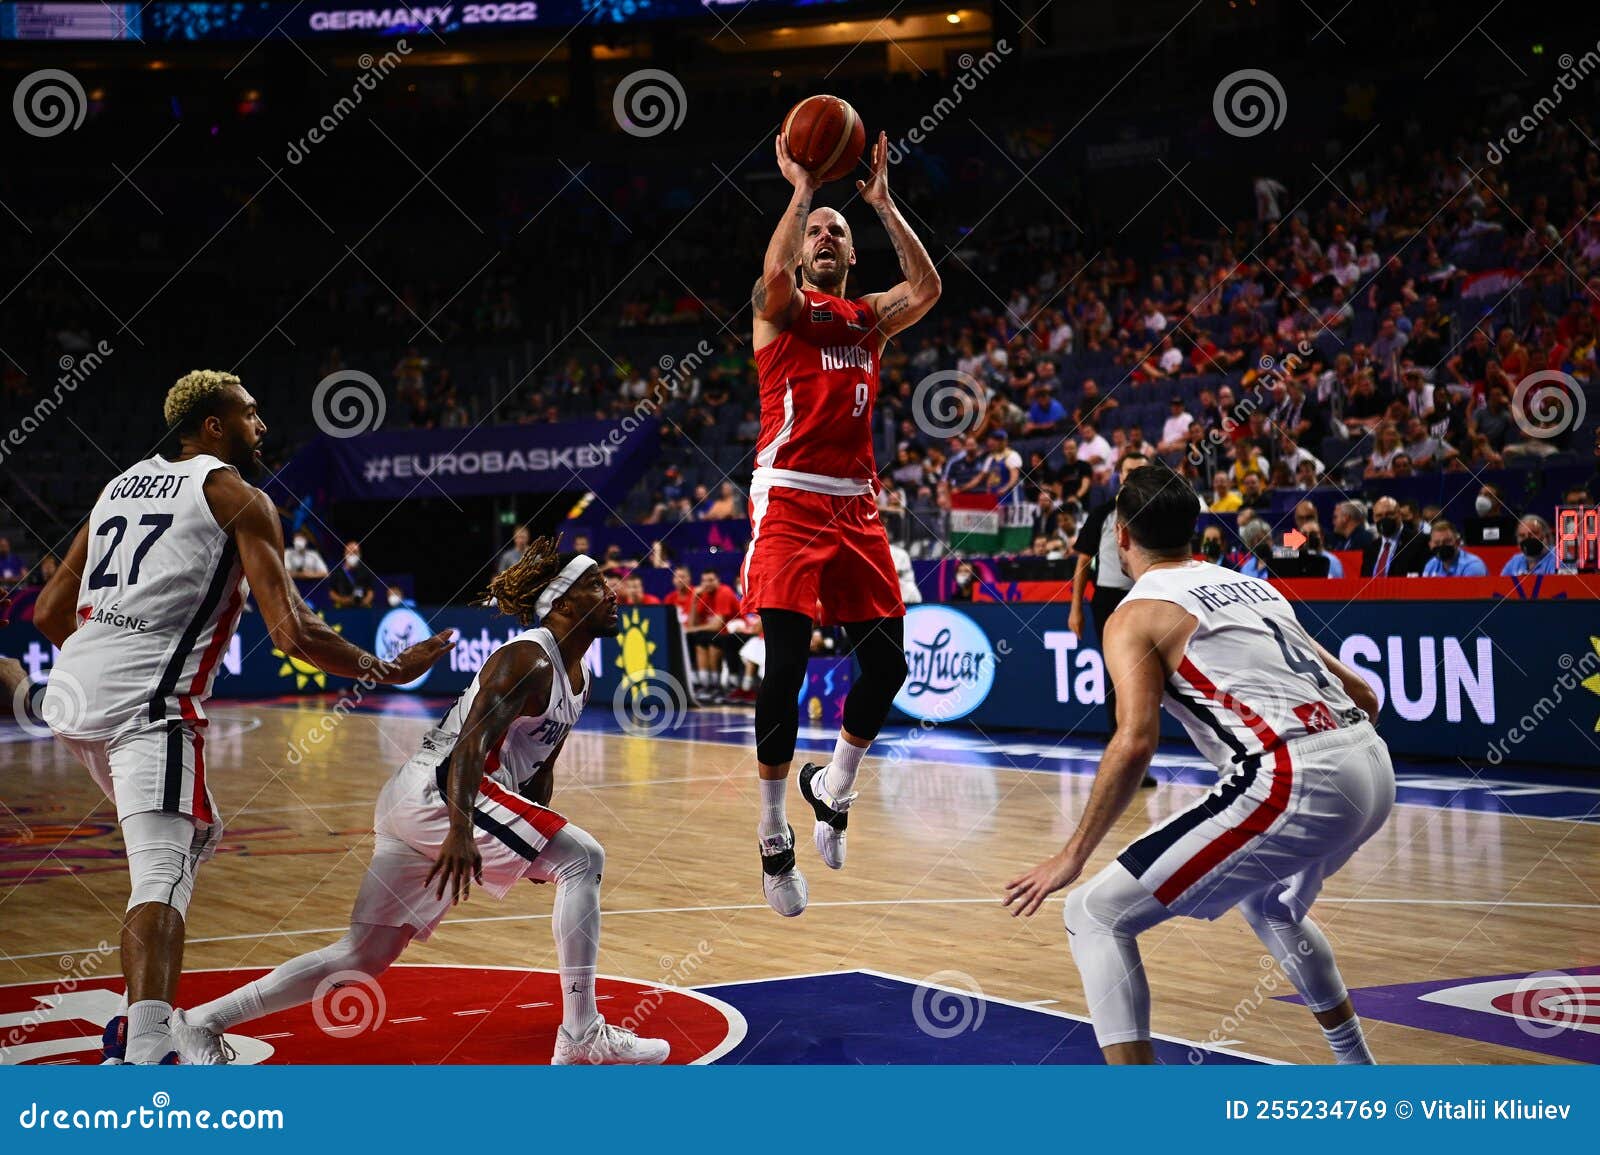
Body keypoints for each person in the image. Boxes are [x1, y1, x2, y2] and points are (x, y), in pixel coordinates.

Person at [32, 370, 452, 1065]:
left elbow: (49, 612)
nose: (262, 427)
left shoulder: (116, 487)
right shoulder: (234, 495)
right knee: (161, 872)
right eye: (250, 414)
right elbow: (292, 633)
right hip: (148, 706)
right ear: (213, 426)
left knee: (196, 831)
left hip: (74, 698)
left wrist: (104, 657)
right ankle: (145, 1053)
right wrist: (384, 669)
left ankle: (150, 1024)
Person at [177, 541, 668, 1065]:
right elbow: (467, 751)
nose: (612, 592)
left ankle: (200, 1022)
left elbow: (538, 768)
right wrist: (460, 833)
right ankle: (581, 1035)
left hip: (423, 799)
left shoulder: (579, 675)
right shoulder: (527, 659)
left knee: (361, 956)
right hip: (445, 791)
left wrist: (530, 846)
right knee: (583, 858)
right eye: (595, 584)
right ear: (563, 604)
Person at [1004, 465, 1393, 1066]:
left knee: (1093, 912)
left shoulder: (1133, 615)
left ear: (1121, 536)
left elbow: (1134, 742)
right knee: (1268, 903)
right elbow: (1364, 696)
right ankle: (1358, 1068)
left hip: (1294, 775)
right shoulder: (1253, 586)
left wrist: (1072, 855)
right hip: (1371, 759)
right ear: (1193, 529)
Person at [745, 127, 937, 915]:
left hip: (855, 503)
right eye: (816, 230)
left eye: (837, 231)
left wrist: (885, 208)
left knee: (888, 667)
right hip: (789, 494)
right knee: (786, 664)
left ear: (852, 256)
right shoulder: (779, 311)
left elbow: (926, 289)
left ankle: (835, 783)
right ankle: (769, 832)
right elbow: (770, 270)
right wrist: (800, 190)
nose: (826, 236)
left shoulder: (867, 319)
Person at [1070, 453, 1156, 788]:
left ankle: (1141, 757)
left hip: (1147, 597)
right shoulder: (1103, 514)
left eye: (1141, 472)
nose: (1134, 477)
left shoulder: (1154, 513)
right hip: (1108, 600)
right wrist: (1075, 607)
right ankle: (1125, 763)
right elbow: (1082, 561)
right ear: (1118, 476)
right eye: (1129, 471)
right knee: (1118, 681)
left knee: (1149, 681)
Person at [685, 569, 743, 701]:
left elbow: (717, 626)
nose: (707, 584)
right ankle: (707, 685)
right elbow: (691, 624)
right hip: (715, 634)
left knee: (712, 640)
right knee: (699, 639)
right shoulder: (703, 595)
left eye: (711, 580)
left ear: (718, 581)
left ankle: (717, 686)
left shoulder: (724, 592)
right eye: (704, 581)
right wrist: (694, 600)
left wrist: (694, 629)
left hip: (734, 634)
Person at [1361, 496, 1429, 577]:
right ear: (1374, 518)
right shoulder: (1370, 548)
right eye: (1379, 516)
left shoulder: (1419, 541)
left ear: (1400, 515)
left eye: (1389, 514)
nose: (1384, 519)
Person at [1421, 519, 1488, 576]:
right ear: (1430, 545)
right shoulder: (1431, 565)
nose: (1441, 545)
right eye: (1437, 542)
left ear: (1457, 542)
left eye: (1446, 541)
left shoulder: (1473, 566)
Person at [328, 540, 381, 608]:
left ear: (360, 554)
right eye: (349, 552)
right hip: (342, 608)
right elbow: (331, 593)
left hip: (362, 607)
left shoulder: (366, 571)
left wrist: (363, 603)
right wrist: (344, 600)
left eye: (355, 552)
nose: (352, 554)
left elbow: (371, 592)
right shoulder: (336, 571)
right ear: (344, 554)